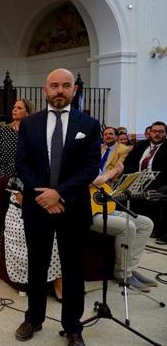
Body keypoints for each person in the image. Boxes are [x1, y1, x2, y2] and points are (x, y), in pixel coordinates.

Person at [15, 68, 101, 346]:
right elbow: (22, 163)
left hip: (73, 208)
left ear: (74, 90)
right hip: (37, 207)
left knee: (73, 269)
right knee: (37, 266)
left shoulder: (89, 125)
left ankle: (73, 327)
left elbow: (90, 168)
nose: (60, 90)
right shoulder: (30, 124)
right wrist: (44, 195)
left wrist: (59, 194)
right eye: (54, 85)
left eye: (66, 85)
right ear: (45, 90)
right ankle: (33, 318)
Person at [90, 162, 156, 292]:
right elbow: (87, 182)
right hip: (88, 214)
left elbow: (106, 189)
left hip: (104, 207)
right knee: (128, 227)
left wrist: (114, 180)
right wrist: (109, 174)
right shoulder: (75, 161)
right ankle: (123, 274)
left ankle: (131, 268)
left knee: (146, 223)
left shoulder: (94, 163)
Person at [0, 99, 33, 249]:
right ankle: (3, 247)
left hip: (23, 176)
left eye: (19, 108)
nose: (14, 110)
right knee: (1, 210)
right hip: (4, 173)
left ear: (27, 111)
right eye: (14, 107)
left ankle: (20, 244)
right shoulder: (5, 130)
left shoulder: (32, 130)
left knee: (18, 210)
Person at [123, 121, 167, 244]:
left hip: (158, 180)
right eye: (154, 131)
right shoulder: (141, 145)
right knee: (121, 193)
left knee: (153, 191)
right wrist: (133, 177)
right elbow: (128, 163)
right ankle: (131, 226)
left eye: (160, 131)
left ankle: (157, 229)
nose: (157, 134)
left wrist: (152, 178)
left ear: (165, 133)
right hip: (137, 179)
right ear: (149, 133)